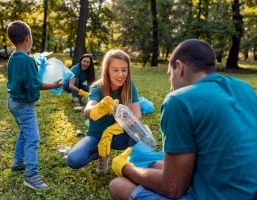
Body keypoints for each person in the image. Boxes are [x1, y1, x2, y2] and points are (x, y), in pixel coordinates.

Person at [109, 39, 257, 199]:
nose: (171, 86)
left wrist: (125, 168)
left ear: (179, 67)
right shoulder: (245, 88)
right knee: (155, 163)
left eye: (169, 75)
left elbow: (173, 188)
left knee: (118, 185)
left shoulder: (179, 100)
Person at [6, 20, 63, 190]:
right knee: (32, 137)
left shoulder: (13, 58)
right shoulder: (27, 60)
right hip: (24, 105)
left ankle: (18, 163)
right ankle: (31, 175)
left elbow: (24, 79)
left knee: (24, 134)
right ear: (27, 38)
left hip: (13, 102)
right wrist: (53, 85)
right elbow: (33, 85)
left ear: (11, 41)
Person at [67, 49, 141, 173]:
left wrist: (111, 131)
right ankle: (102, 154)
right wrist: (99, 107)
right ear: (107, 70)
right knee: (74, 160)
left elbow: (137, 116)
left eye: (124, 70)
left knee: (140, 133)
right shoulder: (98, 87)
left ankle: (132, 163)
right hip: (96, 135)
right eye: (115, 70)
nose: (121, 74)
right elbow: (87, 112)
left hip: (119, 135)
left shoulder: (129, 85)